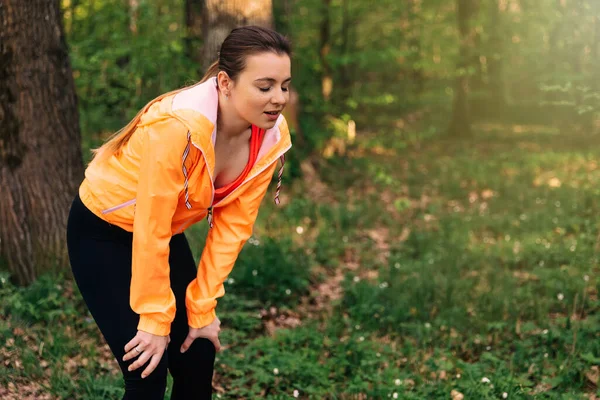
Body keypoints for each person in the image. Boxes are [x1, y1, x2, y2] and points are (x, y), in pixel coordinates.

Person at [66, 25, 292, 399]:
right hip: (102, 232)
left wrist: (202, 309)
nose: (278, 98)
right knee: (147, 370)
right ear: (225, 83)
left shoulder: (269, 136)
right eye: (265, 86)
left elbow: (232, 229)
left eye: (284, 85)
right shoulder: (178, 128)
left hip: (161, 234)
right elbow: (151, 223)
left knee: (197, 353)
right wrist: (155, 320)